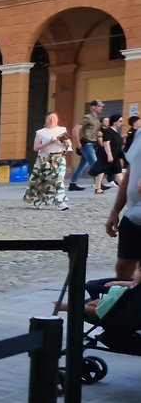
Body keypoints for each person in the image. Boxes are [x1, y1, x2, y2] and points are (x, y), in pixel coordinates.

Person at [105, 123, 141, 280]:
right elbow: (129, 175)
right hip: (133, 215)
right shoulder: (139, 134)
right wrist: (115, 211)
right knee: (123, 270)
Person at [24, 112, 72, 211]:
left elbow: (68, 147)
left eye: (54, 118)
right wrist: (50, 141)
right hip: (45, 158)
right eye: (50, 118)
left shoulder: (62, 130)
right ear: (46, 120)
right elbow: (36, 147)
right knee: (44, 180)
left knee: (59, 178)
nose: (52, 120)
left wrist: (66, 144)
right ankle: (39, 200)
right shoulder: (41, 132)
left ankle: (60, 201)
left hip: (59, 157)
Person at [69, 99, 104, 191]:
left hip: (92, 144)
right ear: (93, 107)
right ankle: (99, 185)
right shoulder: (87, 117)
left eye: (101, 106)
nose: (101, 108)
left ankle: (72, 184)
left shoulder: (96, 120)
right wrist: (77, 143)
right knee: (97, 165)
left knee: (82, 165)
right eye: (99, 106)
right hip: (87, 144)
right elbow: (75, 130)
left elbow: (96, 133)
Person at [96, 113, 122, 195]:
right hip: (108, 155)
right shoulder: (108, 131)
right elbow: (106, 143)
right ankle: (97, 188)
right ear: (114, 122)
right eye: (120, 121)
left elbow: (118, 144)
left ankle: (125, 189)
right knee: (101, 171)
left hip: (115, 155)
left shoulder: (116, 132)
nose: (121, 123)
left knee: (118, 172)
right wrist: (109, 155)